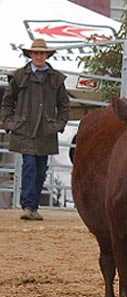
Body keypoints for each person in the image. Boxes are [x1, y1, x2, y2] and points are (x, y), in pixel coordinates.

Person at [0, 39, 70, 220]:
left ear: (47, 55)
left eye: (42, 53)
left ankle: (33, 206)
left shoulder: (56, 78)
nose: (39, 56)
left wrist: (59, 124)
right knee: (29, 166)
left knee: (41, 170)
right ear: (30, 55)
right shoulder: (18, 76)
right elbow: (7, 102)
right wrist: (9, 122)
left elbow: (64, 105)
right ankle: (28, 206)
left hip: (46, 131)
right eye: (36, 53)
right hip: (25, 130)